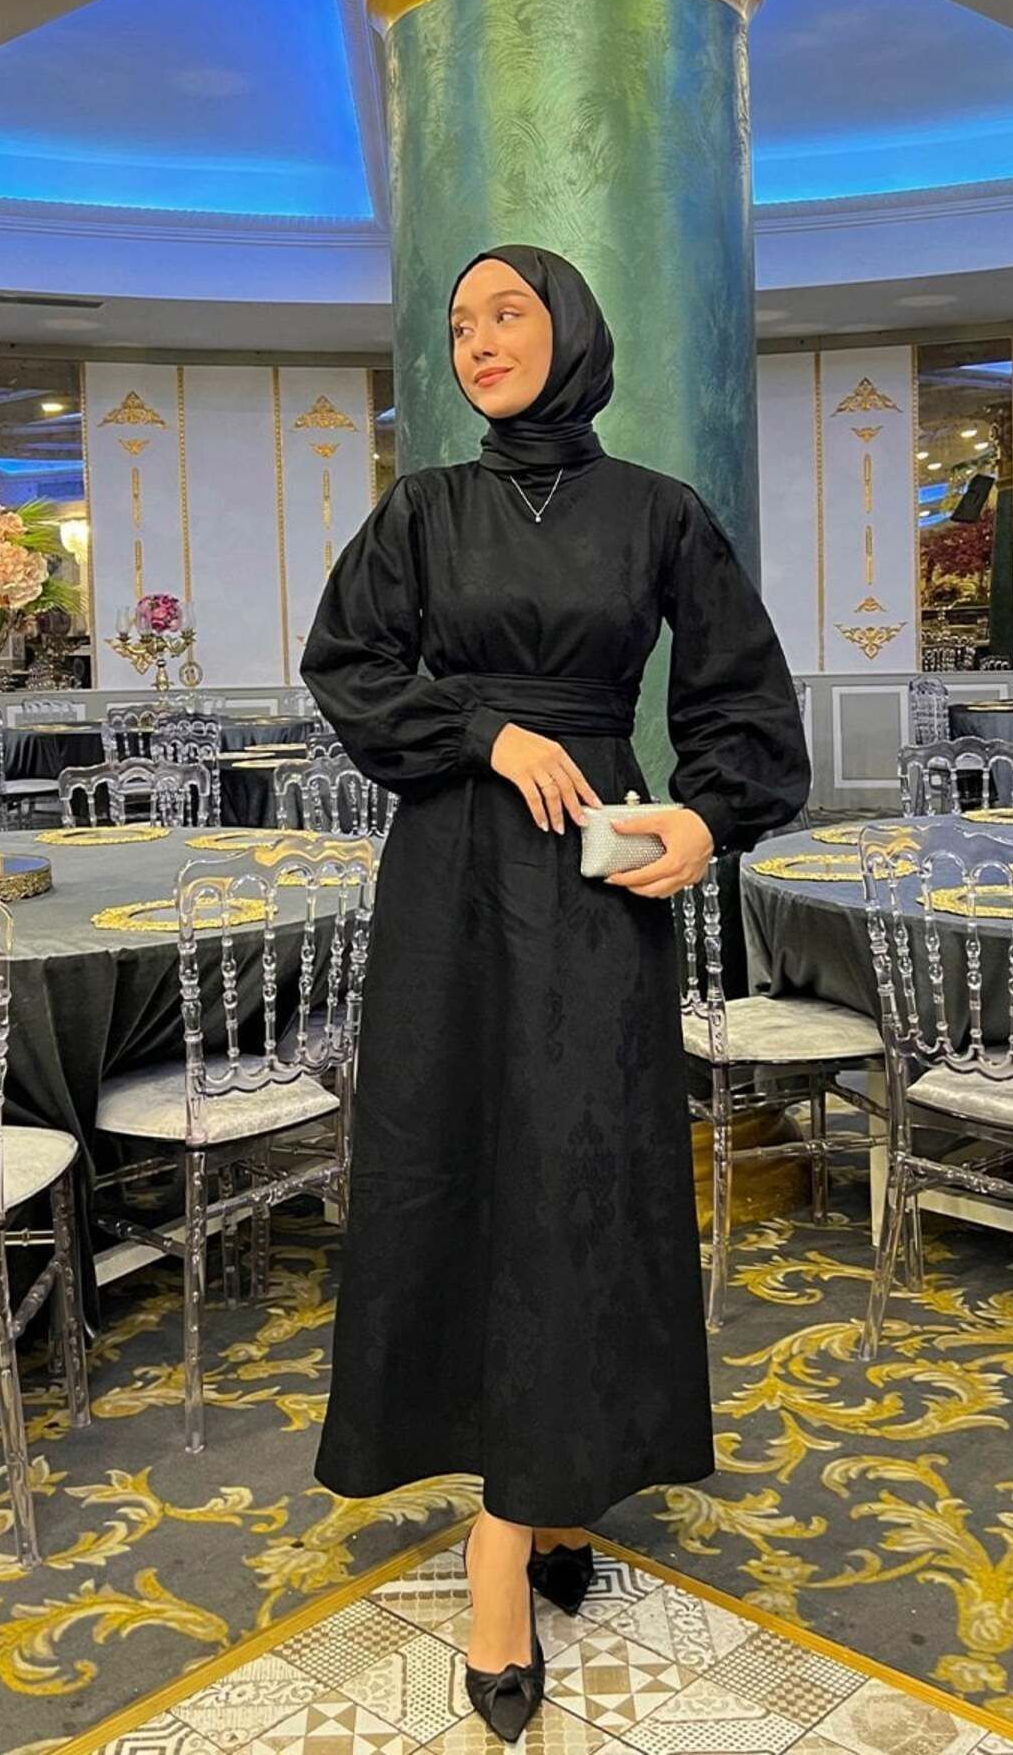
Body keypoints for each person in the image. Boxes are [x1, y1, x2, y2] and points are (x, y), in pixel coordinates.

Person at [301, 243, 810, 1741]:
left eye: (508, 314)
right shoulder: (422, 510)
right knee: (455, 1167)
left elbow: (744, 699)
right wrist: (483, 732)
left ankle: (548, 1486)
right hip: (451, 878)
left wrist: (707, 820)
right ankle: (507, 1534)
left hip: (596, 882)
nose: (479, 342)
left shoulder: (660, 510)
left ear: (571, 331)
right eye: (461, 323)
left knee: (585, 1173)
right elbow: (345, 664)